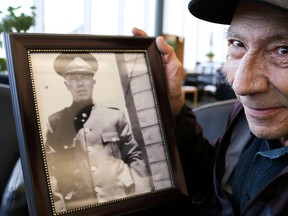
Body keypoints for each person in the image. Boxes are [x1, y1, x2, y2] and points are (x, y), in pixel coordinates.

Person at [133, 0, 288, 215]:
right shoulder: (244, 119)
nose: (241, 85)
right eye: (237, 44)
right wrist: (175, 105)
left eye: (283, 50)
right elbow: (211, 189)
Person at [44, 53, 151, 212]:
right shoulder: (56, 123)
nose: (80, 84)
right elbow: (51, 169)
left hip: (118, 199)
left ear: (93, 82)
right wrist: (59, 208)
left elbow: (134, 156)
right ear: (66, 85)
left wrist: (142, 196)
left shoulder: (115, 116)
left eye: (85, 78)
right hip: (80, 206)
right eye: (73, 79)